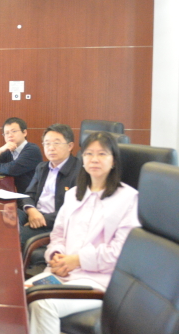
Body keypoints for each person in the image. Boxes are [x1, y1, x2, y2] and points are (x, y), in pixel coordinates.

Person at [27, 131, 140, 334]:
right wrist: (56, 256)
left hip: (98, 280)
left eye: (102, 154)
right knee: (21, 294)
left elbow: (120, 253)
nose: (94, 159)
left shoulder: (129, 198)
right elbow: (58, 234)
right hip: (61, 273)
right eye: (89, 154)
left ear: (114, 161)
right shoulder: (73, 195)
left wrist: (77, 260)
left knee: (43, 303)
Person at [18, 124, 82, 248]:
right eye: (47, 143)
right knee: (5, 220)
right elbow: (29, 194)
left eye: (56, 143)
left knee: (15, 237)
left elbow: (73, 210)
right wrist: (31, 211)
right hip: (34, 214)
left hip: (54, 224)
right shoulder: (42, 167)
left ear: (70, 146)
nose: (51, 148)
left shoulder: (79, 172)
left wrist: (41, 219)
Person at [0, 117, 42, 193]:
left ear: (24, 133)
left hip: (30, 196)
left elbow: (12, 169)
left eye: (14, 131)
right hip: (16, 193)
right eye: (7, 133)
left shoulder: (32, 150)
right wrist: (0, 149)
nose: (10, 135)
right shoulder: (8, 150)